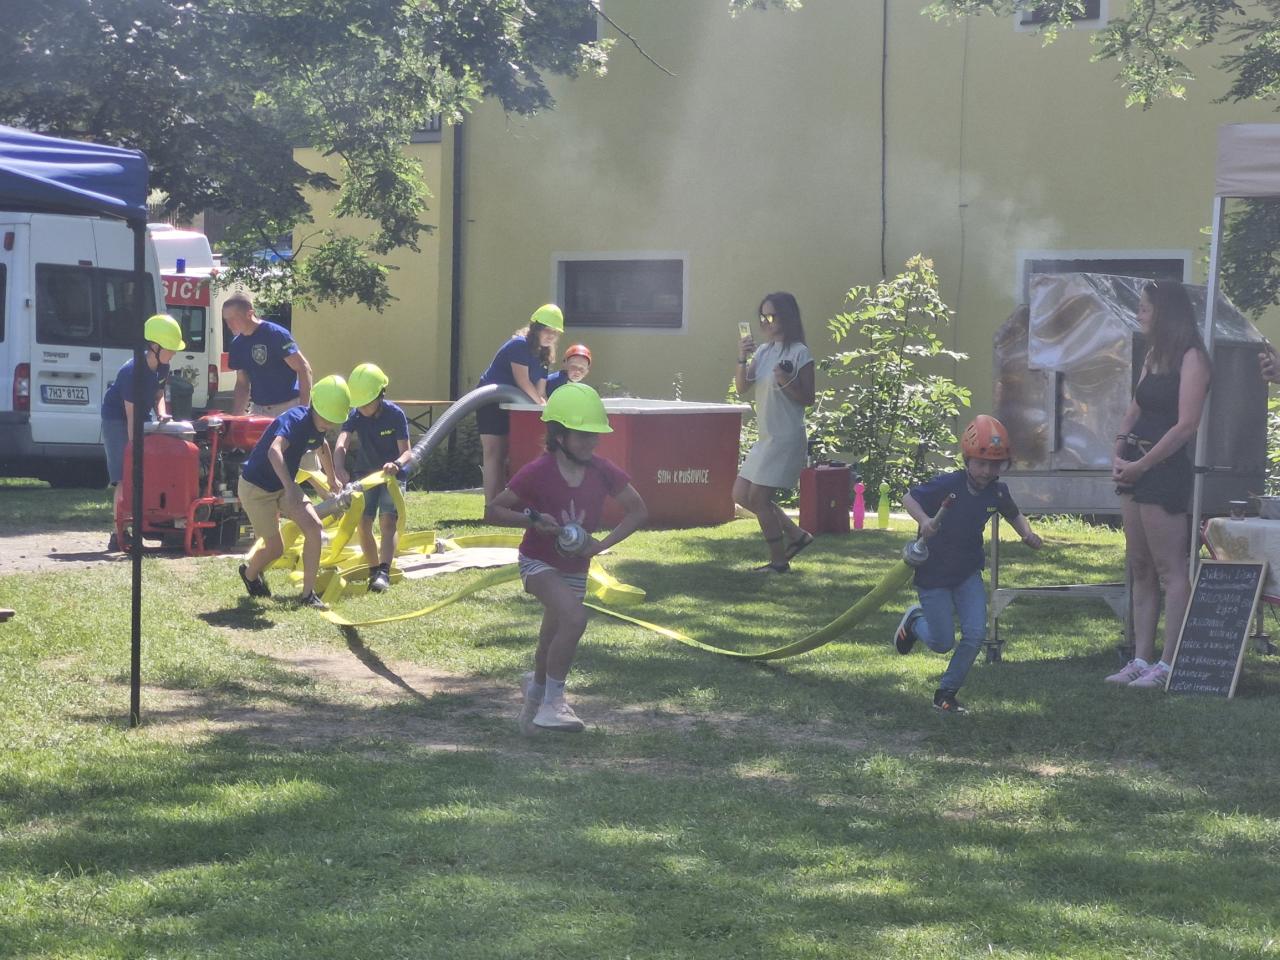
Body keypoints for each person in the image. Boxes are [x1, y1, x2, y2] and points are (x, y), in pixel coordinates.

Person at [486, 382, 647, 734]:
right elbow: (494, 509)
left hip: (576, 566)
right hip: (537, 562)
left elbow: (638, 510)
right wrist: (532, 520)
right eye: (583, 435)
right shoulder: (538, 471)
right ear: (559, 436)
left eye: (595, 435)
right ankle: (553, 704)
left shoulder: (603, 470)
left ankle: (535, 696)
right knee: (574, 619)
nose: (592, 442)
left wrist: (600, 546)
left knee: (551, 636)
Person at [893, 415, 1043, 714]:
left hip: (967, 572)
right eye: (981, 463)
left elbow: (1013, 513)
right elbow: (909, 498)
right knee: (942, 642)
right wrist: (924, 520)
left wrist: (1026, 534)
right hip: (934, 573)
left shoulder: (997, 491)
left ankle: (946, 693)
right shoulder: (949, 484)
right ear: (967, 460)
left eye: (995, 465)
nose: (987, 471)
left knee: (975, 634)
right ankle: (914, 621)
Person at [1107, 280, 1212, 689]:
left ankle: (1169, 662)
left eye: (1145, 308)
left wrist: (1143, 465)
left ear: (1165, 312)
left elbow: (1186, 425)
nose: (1139, 314)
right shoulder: (1153, 356)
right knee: (1140, 565)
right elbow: (1133, 410)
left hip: (1163, 469)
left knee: (1170, 569)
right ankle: (1140, 658)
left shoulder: (1193, 358)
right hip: (1134, 465)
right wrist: (1118, 452)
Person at [237, 375, 351, 610]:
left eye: (333, 421)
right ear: (315, 406)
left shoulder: (318, 425)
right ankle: (249, 574)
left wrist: (331, 478)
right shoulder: (296, 420)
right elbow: (274, 451)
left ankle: (308, 595)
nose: (328, 425)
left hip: (282, 484)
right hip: (256, 488)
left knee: (314, 527)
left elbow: (322, 446)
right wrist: (290, 488)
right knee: (275, 549)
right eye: (326, 419)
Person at [733, 292, 816, 573]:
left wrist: (786, 381)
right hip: (766, 437)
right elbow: (742, 387)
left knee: (758, 498)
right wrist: (742, 356)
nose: (766, 322)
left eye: (771, 316)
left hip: (786, 436)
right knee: (740, 494)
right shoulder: (764, 352)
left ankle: (779, 562)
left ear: (787, 317)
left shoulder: (800, 352)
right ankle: (797, 535)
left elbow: (808, 398)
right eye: (762, 317)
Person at [101, 314, 183, 550]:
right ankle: (119, 533)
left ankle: (152, 523)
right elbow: (131, 417)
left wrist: (162, 414)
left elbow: (159, 395)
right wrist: (134, 449)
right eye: (171, 348)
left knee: (151, 472)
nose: (174, 353)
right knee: (124, 474)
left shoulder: (163, 366)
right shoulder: (131, 372)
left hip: (142, 414)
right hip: (117, 420)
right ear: (155, 347)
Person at [334, 362, 412, 593]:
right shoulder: (355, 415)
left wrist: (396, 464)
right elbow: (342, 442)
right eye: (358, 404)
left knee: (388, 522)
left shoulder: (395, 415)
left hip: (391, 477)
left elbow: (407, 452)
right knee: (363, 522)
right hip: (365, 475)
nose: (362, 408)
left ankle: (384, 572)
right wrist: (338, 466)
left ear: (380, 395)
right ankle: (372, 569)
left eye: (366, 403)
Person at [476, 303, 563, 503]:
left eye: (555, 332)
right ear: (536, 328)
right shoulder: (519, 345)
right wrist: (541, 406)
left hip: (513, 405)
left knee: (505, 454)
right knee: (493, 452)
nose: (550, 336)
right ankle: (491, 505)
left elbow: (540, 391)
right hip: (490, 401)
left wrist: (547, 408)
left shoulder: (544, 355)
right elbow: (523, 381)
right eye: (547, 330)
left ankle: (500, 505)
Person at [224, 291, 314, 417]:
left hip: (287, 407)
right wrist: (237, 416)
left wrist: (303, 410)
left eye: (233, 319)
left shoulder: (276, 334)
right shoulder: (237, 345)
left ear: (249, 314)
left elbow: (304, 368)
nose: (229, 325)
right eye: (226, 320)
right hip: (258, 409)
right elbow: (242, 383)